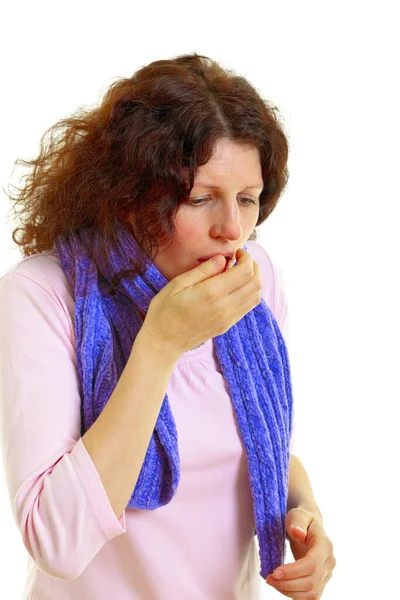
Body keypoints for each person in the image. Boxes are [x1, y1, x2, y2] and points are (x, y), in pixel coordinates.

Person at [0, 52, 335, 599]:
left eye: (247, 200)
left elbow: (257, 445)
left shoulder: (255, 281)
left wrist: (305, 509)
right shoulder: (44, 294)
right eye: (201, 198)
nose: (232, 229)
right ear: (132, 196)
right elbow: (55, 541)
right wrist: (159, 343)